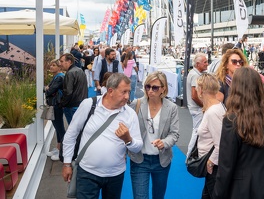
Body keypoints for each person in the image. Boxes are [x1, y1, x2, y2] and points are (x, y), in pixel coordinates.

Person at [62, 73, 143, 199]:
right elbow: (71, 134)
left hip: (115, 175)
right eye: (124, 92)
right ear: (110, 91)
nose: (127, 96)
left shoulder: (130, 114)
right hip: (87, 172)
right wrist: (67, 164)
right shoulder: (89, 105)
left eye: (129, 92)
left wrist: (128, 140)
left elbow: (138, 147)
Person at [213, 67, 264, 198]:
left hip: (243, 190)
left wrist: (217, 195)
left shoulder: (232, 120)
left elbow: (226, 165)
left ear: (236, 88)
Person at [128, 71, 179, 199]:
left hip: (161, 160)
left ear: (163, 89)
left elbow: (174, 134)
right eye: (147, 86)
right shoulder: (137, 104)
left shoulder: (171, 108)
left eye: (155, 87)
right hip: (140, 159)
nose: (150, 90)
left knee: (158, 196)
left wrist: (164, 143)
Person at [196, 74, 226, 199]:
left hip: (214, 168)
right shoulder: (217, 108)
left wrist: (210, 162)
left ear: (202, 89)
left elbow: (220, 143)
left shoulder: (213, 112)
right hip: (214, 167)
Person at [186, 53, 209, 157]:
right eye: (205, 62)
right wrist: (204, 106)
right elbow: (194, 96)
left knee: (198, 131)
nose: (207, 64)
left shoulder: (194, 73)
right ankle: (189, 155)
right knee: (196, 132)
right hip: (197, 109)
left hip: (196, 108)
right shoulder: (195, 75)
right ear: (198, 64)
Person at [44, 59, 65, 161]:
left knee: (59, 127)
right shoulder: (57, 77)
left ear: (59, 67)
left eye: (54, 65)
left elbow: (50, 91)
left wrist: (47, 89)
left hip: (57, 105)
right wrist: (47, 88)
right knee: (57, 127)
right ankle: (58, 147)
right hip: (54, 105)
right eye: (50, 65)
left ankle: (62, 151)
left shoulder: (60, 77)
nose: (51, 67)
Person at [59, 53, 88, 124]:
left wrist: (62, 104)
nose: (60, 64)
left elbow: (68, 92)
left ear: (69, 61)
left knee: (73, 130)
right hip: (81, 103)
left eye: (62, 61)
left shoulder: (70, 73)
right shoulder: (80, 70)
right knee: (79, 129)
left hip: (72, 105)